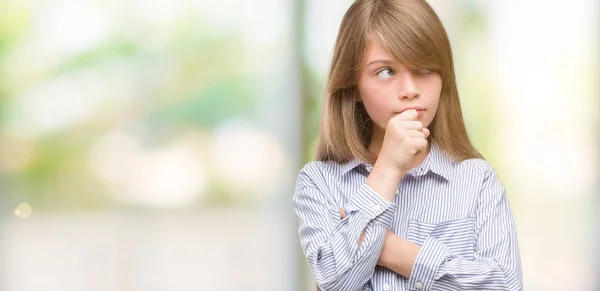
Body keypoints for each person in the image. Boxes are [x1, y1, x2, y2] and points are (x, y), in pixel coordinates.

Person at [292, 0, 523, 290]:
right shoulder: (319, 182)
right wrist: (387, 168)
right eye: (386, 71)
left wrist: (388, 249)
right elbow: (336, 283)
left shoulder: (477, 181)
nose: (411, 90)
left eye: (425, 69)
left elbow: (505, 286)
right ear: (354, 87)